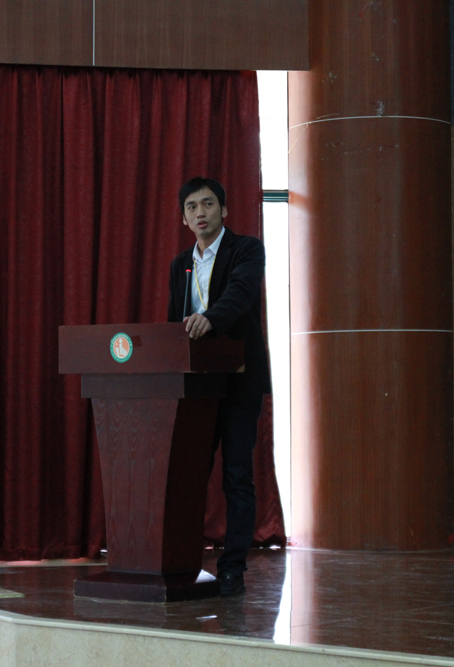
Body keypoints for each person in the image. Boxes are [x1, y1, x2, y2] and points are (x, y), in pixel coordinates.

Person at [167, 177, 271, 596]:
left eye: (208, 204)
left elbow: (241, 295)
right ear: (184, 218)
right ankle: (179, 560)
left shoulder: (246, 249)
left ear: (224, 211)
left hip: (240, 382)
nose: (201, 213)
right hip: (197, 388)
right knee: (188, 474)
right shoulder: (181, 264)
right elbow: (175, 322)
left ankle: (233, 568)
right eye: (192, 207)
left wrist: (210, 318)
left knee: (237, 477)